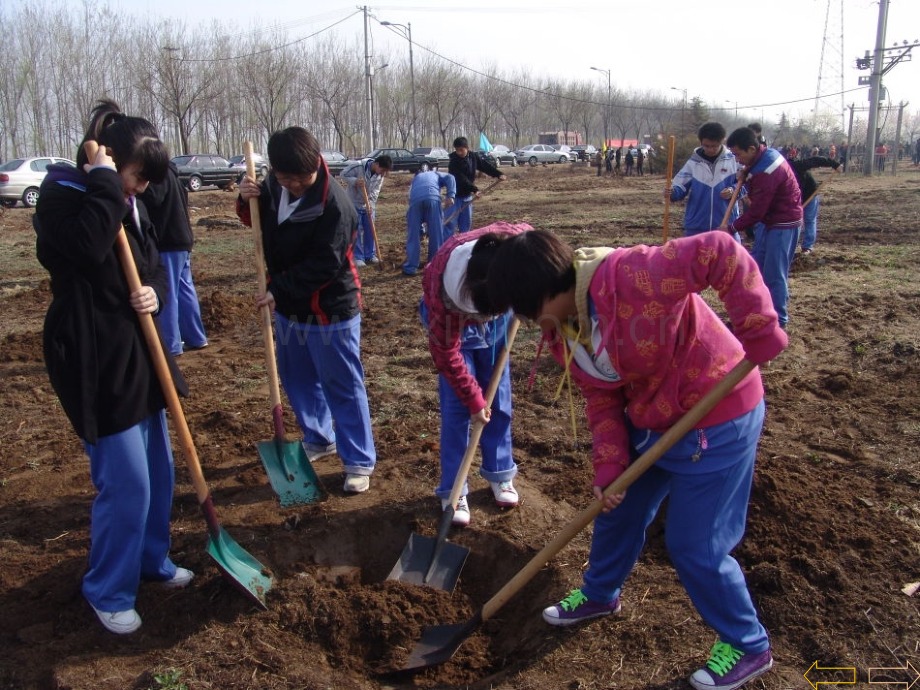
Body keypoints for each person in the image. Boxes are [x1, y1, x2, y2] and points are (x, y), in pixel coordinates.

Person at [486, 228, 787, 690]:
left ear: (548, 289)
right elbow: (601, 398)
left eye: (528, 309)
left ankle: (748, 644)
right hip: (652, 418)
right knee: (617, 508)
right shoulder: (565, 327)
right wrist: (610, 466)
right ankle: (600, 594)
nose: (528, 321)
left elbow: (718, 250)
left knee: (696, 545)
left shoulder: (631, 275)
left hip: (715, 412)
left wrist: (759, 326)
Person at [34, 99, 193, 635]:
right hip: (93, 357)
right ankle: (108, 589)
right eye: (135, 177)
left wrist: (154, 293)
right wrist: (104, 181)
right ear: (106, 161)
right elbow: (84, 246)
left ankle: (151, 561)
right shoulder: (62, 193)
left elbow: (157, 266)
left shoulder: (131, 201)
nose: (142, 189)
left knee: (159, 474)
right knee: (126, 481)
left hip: (141, 354)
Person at [237, 126, 377, 494]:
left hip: (330, 310)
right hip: (288, 309)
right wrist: (245, 199)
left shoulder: (336, 205)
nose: (294, 185)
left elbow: (324, 265)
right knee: (298, 378)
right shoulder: (272, 186)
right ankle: (319, 438)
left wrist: (276, 290)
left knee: (342, 385)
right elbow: (257, 223)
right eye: (286, 179)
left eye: (301, 179)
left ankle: (358, 460)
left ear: (316, 164)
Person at [422, 222, 532, 525]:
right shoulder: (442, 294)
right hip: (454, 329)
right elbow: (447, 356)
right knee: (460, 407)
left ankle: (500, 471)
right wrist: (474, 401)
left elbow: (544, 263)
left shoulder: (517, 242)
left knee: (499, 398)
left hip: (497, 327)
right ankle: (454, 489)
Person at [726, 127, 803, 328]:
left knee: (774, 274)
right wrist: (745, 172)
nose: (737, 159)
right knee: (755, 268)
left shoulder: (765, 171)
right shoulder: (763, 156)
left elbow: (756, 211)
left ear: (751, 148)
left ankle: (778, 321)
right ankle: (756, 311)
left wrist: (730, 227)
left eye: (738, 154)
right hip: (770, 222)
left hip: (783, 223)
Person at [140, 159, 208, 356]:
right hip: (182, 239)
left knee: (168, 292)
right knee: (185, 289)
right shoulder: (172, 174)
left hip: (167, 241)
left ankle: (171, 345)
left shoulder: (156, 176)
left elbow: (153, 199)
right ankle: (196, 337)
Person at [667, 122, 742, 241]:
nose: (710, 149)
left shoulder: (734, 161)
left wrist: (733, 190)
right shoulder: (693, 163)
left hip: (725, 226)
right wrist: (672, 192)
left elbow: (746, 185)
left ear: (722, 141)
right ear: (701, 142)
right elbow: (679, 187)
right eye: (706, 146)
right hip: (697, 227)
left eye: (714, 146)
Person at [339, 154, 392, 266]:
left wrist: (371, 205)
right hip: (353, 202)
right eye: (382, 170)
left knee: (370, 228)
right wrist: (355, 181)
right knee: (356, 229)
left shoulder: (380, 175)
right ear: (376, 164)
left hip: (368, 204)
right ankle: (358, 257)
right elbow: (343, 174)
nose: (383, 173)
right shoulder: (357, 166)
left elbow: (375, 191)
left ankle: (370, 255)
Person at [446, 137, 505, 234]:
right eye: (457, 150)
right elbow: (461, 179)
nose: (459, 152)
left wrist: (498, 174)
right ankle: (447, 247)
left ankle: (463, 246)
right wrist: (475, 190)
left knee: (466, 226)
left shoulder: (473, 157)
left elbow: (485, 166)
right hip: (454, 197)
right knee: (450, 225)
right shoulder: (453, 162)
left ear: (467, 148)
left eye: (461, 150)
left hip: (467, 196)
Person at [403, 169, 456, 276]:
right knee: (436, 233)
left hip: (415, 202)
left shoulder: (414, 182)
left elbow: (412, 211)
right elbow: (450, 177)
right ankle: (433, 264)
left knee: (413, 235)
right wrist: (450, 195)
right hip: (433, 198)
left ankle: (411, 267)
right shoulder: (435, 173)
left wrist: (420, 231)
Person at [788, 154, 840, 254]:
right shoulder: (776, 175)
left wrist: (835, 164)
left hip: (810, 193)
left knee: (809, 219)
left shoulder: (796, 165)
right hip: (795, 197)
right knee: (794, 221)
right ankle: (791, 245)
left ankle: (807, 247)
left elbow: (816, 160)